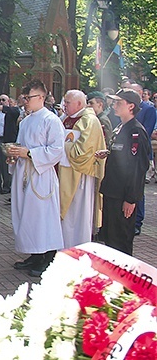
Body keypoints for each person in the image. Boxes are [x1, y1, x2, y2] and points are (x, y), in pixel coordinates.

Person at [6, 79, 64, 278]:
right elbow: (22, 145)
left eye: (28, 97)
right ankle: (34, 254)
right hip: (24, 173)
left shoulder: (51, 120)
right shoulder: (27, 120)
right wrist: (14, 155)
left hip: (41, 175)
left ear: (41, 97)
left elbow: (57, 151)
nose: (25, 101)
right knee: (27, 216)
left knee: (42, 217)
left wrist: (29, 153)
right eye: (24, 97)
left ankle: (48, 257)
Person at [96, 89, 150, 255]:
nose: (114, 105)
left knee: (121, 241)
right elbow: (123, 155)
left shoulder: (136, 131)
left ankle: (124, 278)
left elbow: (138, 167)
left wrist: (130, 199)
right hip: (112, 191)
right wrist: (109, 153)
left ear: (131, 106)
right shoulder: (122, 127)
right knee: (111, 239)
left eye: (119, 102)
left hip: (122, 195)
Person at [57, 90, 106, 248]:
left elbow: (82, 152)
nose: (64, 105)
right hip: (65, 171)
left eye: (68, 102)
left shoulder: (89, 121)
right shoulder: (66, 119)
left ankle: (79, 249)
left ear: (79, 104)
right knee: (67, 217)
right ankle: (63, 248)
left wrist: (59, 146)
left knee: (78, 216)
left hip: (80, 175)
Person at [129, 83, 154, 235]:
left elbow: (147, 131)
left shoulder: (149, 109)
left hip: (141, 152)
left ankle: (138, 221)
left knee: (138, 188)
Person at [0, 94, 20, 194]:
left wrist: (4, 108)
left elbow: (16, 111)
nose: (1, 101)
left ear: (8, 102)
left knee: (5, 164)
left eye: (3, 100)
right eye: (0, 100)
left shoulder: (11, 111)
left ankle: (7, 186)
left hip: (6, 140)